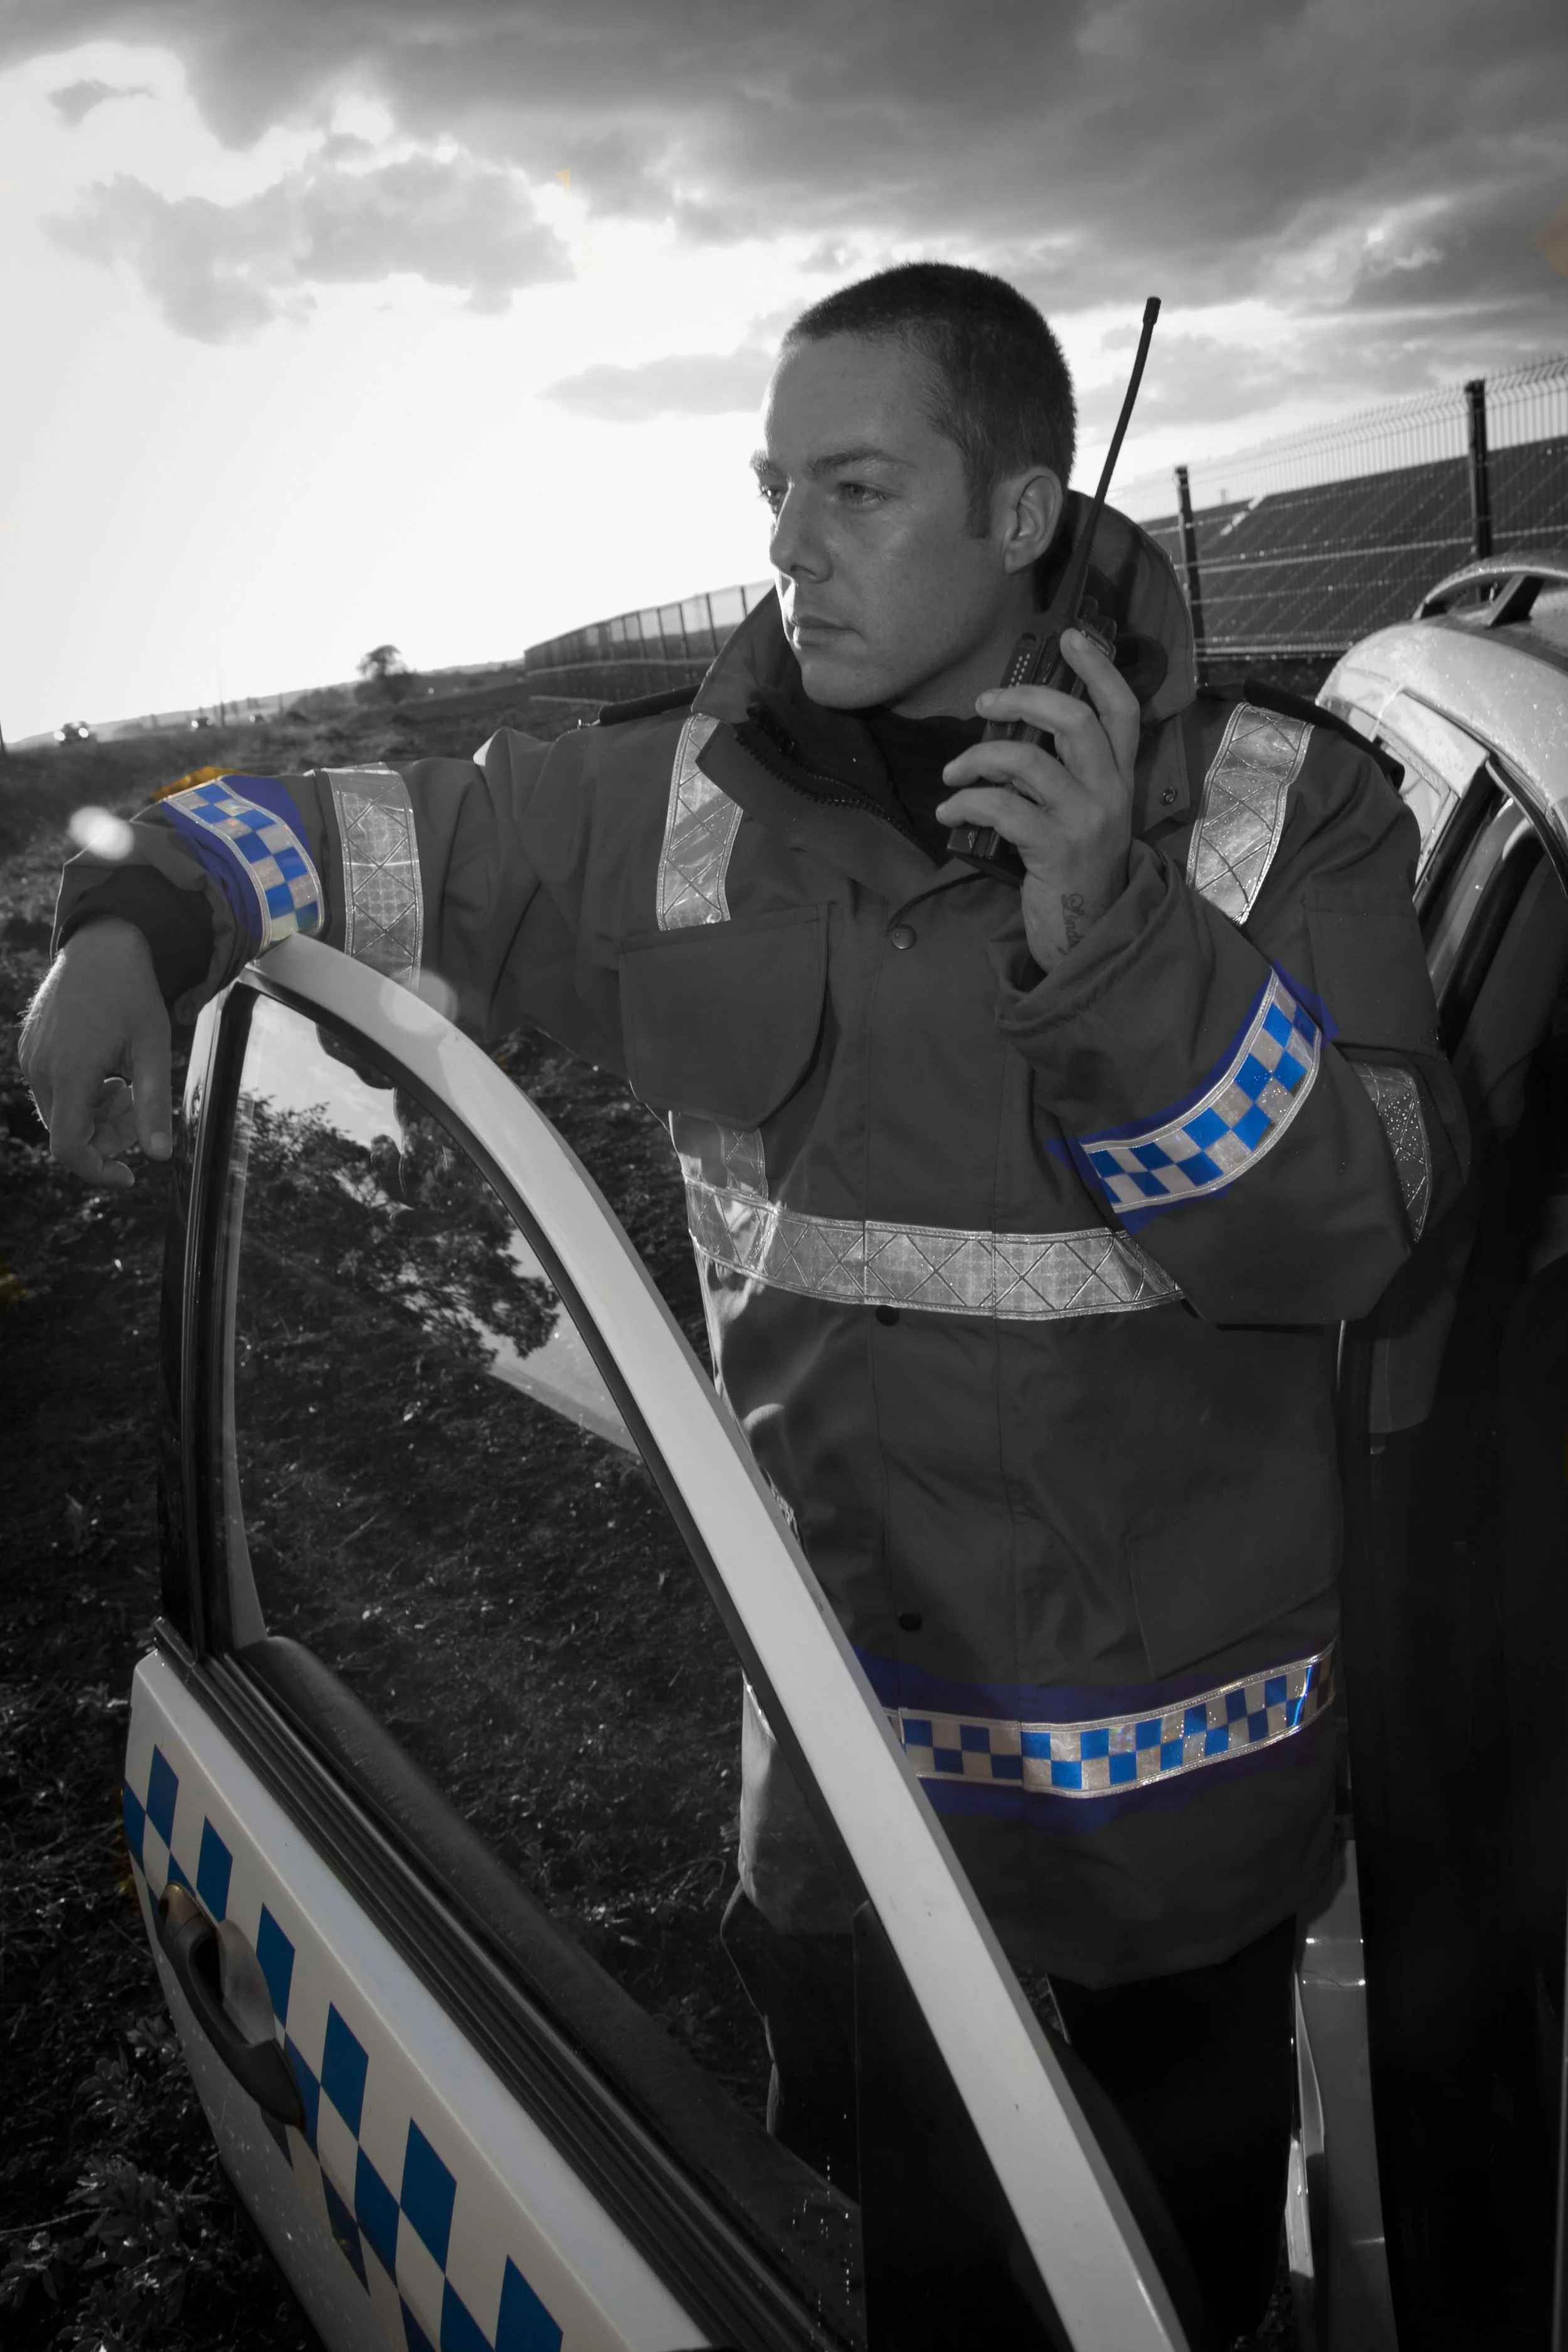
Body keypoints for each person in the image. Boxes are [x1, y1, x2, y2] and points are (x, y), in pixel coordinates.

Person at [21, 262, 1465, 2339]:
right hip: (844, 1836)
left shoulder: (1278, 816)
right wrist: (137, 916)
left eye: (854, 488)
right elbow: (366, 834)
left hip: (1166, 1872)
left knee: (1160, 2297)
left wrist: (1122, 950)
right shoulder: (673, 801)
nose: (785, 546)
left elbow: (1359, 1227)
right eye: (774, 487)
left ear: (1024, 511)